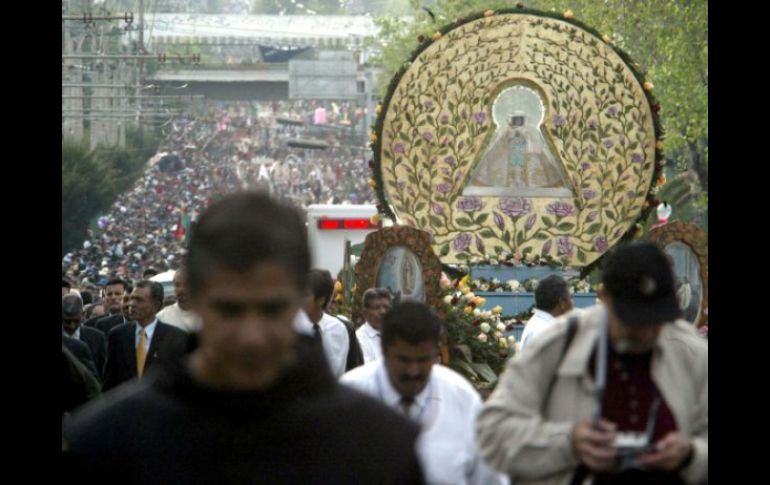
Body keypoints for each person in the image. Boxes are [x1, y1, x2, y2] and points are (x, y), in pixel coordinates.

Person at [63, 192, 425, 483]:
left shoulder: (379, 446)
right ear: (195, 298)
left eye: (271, 309)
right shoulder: (107, 445)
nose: (251, 336)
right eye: (230, 310)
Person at [476, 242, 708, 484]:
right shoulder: (558, 345)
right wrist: (568, 443)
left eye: (656, 319)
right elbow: (492, 433)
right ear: (604, 297)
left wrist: (691, 455)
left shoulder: (691, 352)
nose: (646, 333)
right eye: (633, 321)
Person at [342, 301, 506, 485]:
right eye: (403, 360)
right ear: (385, 352)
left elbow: (490, 478)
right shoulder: (349, 397)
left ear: (436, 355)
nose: (413, 371)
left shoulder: (462, 399)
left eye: (423, 360)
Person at [102, 280, 192, 391]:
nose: (132, 304)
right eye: (132, 298)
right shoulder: (118, 335)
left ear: (156, 305)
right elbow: (110, 381)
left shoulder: (175, 337)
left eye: (139, 300)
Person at [298, 269, 350, 378]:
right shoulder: (292, 328)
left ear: (321, 300)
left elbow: (342, 370)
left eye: (305, 295)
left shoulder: (339, 329)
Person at [519, 275, 574, 352]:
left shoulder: (541, 325)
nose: (573, 303)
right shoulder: (545, 331)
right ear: (562, 302)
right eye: (571, 297)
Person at [63, 294, 107, 382]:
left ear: (83, 315)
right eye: (67, 321)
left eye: (76, 320)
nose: (72, 326)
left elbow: (102, 372)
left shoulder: (97, 338)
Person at [156, 265, 202, 333]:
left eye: (186, 284)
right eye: (177, 285)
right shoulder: (163, 317)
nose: (181, 289)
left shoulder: (208, 315)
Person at [356, 288, 392, 363]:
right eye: (377, 307)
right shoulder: (360, 339)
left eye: (386, 307)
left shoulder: (397, 334)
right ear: (365, 313)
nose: (383, 312)